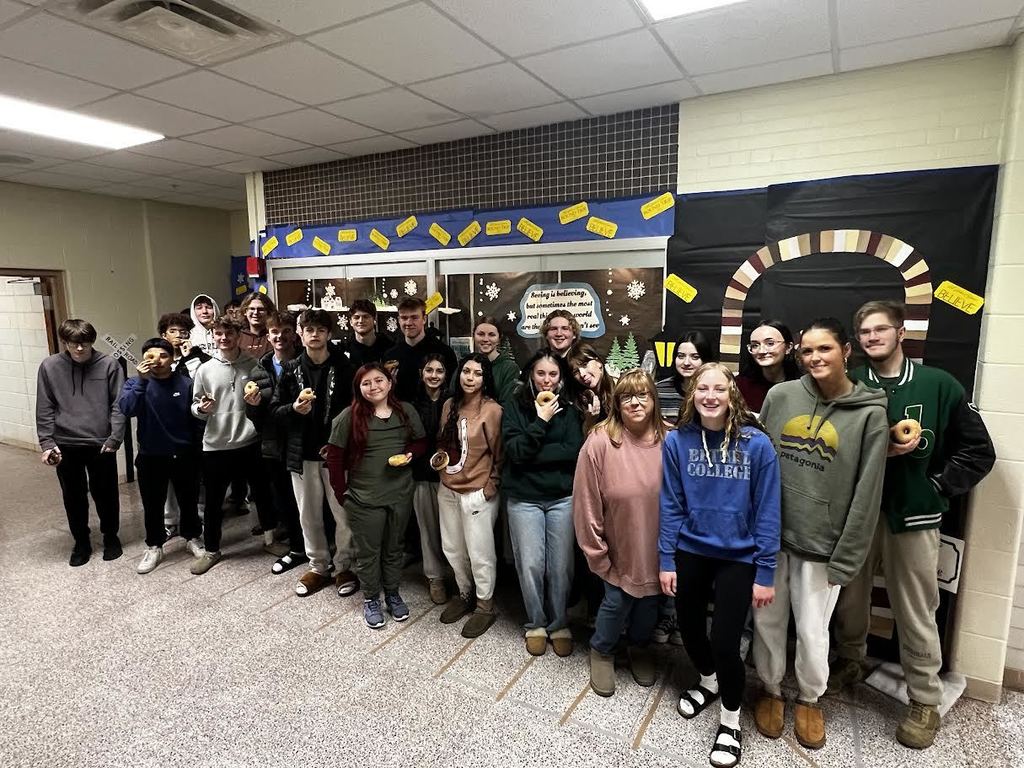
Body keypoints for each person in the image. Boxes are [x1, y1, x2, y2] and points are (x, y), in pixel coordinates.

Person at [829, 300, 995, 749]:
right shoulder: (848, 384)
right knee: (849, 595)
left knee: (916, 607)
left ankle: (925, 697)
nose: (872, 338)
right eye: (864, 332)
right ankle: (849, 659)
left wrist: (937, 486)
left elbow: (979, 451)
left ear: (901, 333)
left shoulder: (938, 384)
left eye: (880, 330)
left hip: (914, 515)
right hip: (857, 514)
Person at [752, 317, 888, 750]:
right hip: (772, 538)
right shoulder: (781, 396)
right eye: (807, 351)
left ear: (846, 351)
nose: (814, 358)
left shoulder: (870, 415)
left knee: (813, 631)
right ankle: (771, 690)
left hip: (822, 546)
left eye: (824, 349)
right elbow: (759, 464)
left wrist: (847, 556)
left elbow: (868, 493)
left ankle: (811, 698)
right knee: (767, 623)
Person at [659, 363, 781, 768]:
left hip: (738, 556)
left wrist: (765, 572)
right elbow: (671, 503)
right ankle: (708, 680)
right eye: (702, 388)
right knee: (690, 628)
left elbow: (767, 511)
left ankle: (731, 721)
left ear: (733, 395)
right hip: (691, 551)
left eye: (719, 389)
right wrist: (666, 559)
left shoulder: (756, 444)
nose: (710, 396)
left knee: (726, 642)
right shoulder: (678, 441)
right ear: (692, 394)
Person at [573, 370, 666, 697]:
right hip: (617, 549)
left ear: (654, 399)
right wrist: (596, 553)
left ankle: (639, 646)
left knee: (649, 605)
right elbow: (586, 504)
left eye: (643, 395)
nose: (635, 402)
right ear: (616, 402)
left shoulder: (670, 439)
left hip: (659, 549)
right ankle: (602, 648)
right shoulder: (599, 441)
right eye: (627, 396)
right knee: (616, 603)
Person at [325, 364, 426, 629]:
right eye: (366, 383)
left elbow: (420, 441)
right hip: (363, 497)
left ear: (390, 383)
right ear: (359, 388)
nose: (374, 387)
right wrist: (341, 493)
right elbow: (334, 458)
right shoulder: (349, 416)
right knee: (369, 552)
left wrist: (410, 455)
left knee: (394, 548)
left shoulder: (406, 411)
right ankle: (371, 598)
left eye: (379, 380)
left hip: (400, 493)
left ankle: (392, 593)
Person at [503, 350, 584, 657]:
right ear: (530, 375)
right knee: (531, 564)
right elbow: (516, 452)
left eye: (553, 374)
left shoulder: (570, 409)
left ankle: (559, 623)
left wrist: (533, 450)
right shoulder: (515, 406)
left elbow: (572, 451)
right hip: (524, 500)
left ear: (561, 377)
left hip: (562, 499)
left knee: (561, 566)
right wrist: (540, 421)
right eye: (540, 374)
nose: (547, 380)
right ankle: (536, 623)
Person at [270, 309, 356, 597]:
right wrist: (294, 410)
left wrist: (339, 442)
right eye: (309, 330)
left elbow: (357, 413)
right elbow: (274, 412)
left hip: (337, 455)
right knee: (308, 514)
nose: (315, 334)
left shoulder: (345, 368)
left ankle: (345, 565)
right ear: (301, 334)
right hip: (302, 454)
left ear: (329, 334)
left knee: (343, 513)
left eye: (320, 329)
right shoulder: (290, 369)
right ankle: (319, 565)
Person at [189, 315, 275, 575]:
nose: (224, 338)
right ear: (213, 337)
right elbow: (194, 406)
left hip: (249, 441)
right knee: (214, 502)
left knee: (262, 493)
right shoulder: (204, 369)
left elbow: (265, 399)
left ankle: (270, 540)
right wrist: (202, 409)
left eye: (229, 334)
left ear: (239, 336)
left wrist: (258, 402)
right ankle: (212, 550)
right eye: (219, 334)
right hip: (216, 445)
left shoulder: (254, 364)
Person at [36, 319, 126, 566]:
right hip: (65, 443)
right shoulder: (49, 367)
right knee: (73, 496)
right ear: (65, 342)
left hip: (101, 443)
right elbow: (45, 406)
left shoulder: (109, 365)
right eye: (74, 344)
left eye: (85, 344)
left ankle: (110, 537)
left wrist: (115, 438)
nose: (79, 350)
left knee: (106, 494)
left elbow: (119, 405)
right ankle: (81, 542)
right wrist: (46, 442)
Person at [118, 338, 203, 574]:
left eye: (163, 356)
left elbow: (195, 418)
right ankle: (154, 546)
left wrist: (197, 450)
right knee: (152, 504)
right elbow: (127, 409)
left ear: (173, 358)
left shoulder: (186, 383)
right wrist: (141, 382)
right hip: (151, 455)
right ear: (144, 359)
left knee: (189, 499)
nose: (157, 361)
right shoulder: (134, 383)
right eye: (151, 356)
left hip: (184, 453)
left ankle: (192, 537)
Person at [436, 353, 504, 638]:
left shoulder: (492, 410)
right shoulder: (449, 405)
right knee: (452, 547)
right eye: (466, 371)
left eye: (477, 373)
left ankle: (485, 605)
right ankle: (465, 593)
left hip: (477, 492)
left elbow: (500, 453)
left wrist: (491, 486)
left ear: (485, 379)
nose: (470, 377)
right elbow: (444, 441)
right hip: (448, 488)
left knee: (480, 553)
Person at [244, 310, 306, 573]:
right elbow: (256, 416)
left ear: (295, 334)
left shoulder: (306, 363)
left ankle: (318, 547)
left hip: (304, 442)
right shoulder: (261, 369)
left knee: (310, 502)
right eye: (274, 332)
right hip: (273, 444)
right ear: (268, 336)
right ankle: (297, 548)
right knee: (285, 500)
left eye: (285, 331)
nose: (280, 337)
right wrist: (253, 406)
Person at [410, 353, 450, 605]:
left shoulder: (454, 401)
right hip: (422, 475)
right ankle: (435, 577)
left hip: (449, 477)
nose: (434, 375)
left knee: (451, 531)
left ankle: (458, 576)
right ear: (421, 373)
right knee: (428, 529)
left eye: (439, 371)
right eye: (429, 370)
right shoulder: (412, 403)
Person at [382, 297, 458, 402]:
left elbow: (453, 390)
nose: (409, 322)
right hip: (401, 413)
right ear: (399, 320)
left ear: (424, 319)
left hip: (436, 414)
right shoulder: (390, 356)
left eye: (414, 317)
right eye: (404, 318)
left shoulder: (443, 352)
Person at [736, 321, 799, 413]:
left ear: (788, 347)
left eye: (770, 343)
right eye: (755, 345)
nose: (761, 351)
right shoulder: (739, 386)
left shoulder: (802, 386)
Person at [655, 330, 714, 425]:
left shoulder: (714, 392)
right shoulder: (659, 390)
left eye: (695, 357)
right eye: (681, 356)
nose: (686, 363)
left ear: (705, 360)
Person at [567, 342, 615, 431]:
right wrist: (589, 421)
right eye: (576, 372)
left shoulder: (619, 390)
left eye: (584, 365)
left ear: (598, 362)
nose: (582, 374)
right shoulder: (579, 403)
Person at [473, 316, 519, 403]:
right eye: (481, 334)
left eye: (491, 335)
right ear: (473, 336)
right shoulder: (465, 365)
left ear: (499, 339)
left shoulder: (510, 368)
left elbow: (508, 403)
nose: (486, 339)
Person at [158, 312, 209, 378]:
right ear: (164, 336)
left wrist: (189, 356)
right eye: (172, 332)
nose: (178, 335)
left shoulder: (200, 356)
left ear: (188, 335)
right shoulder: (160, 358)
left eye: (183, 332)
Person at [346, 299, 392, 369]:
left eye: (366, 317)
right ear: (351, 322)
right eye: (356, 317)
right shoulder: (345, 350)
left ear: (374, 320)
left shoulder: (389, 348)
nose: (361, 321)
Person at [239, 292, 276, 358]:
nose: (256, 313)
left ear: (269, 312)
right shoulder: (238, 337)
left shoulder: (274, 335)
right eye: (252, 309)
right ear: (245, 311)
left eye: (261, 309)